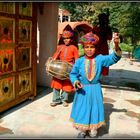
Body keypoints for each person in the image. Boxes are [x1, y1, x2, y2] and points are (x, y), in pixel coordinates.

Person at [69, 32, 121, 138]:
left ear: (95, 48)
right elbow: (73, 74)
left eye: (92, 47)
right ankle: (83, 130)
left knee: (95, 108)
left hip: (95, 89)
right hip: (82, 90)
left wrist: (116, 45)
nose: (89, 49)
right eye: (86, 47)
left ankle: (93, 129)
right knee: (82, 108)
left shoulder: (100, 59)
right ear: (83, 48)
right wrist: (75, 81)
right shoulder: (79, 61)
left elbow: (114, 58)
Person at [50, 26, 79, 107]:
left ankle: (64, 100)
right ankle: (55, 100)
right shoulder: (60, 47)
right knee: (56, 84)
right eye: (64, 38)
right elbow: (55, 56)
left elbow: (77, 60)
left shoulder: (74, 48)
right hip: (59, 69)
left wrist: (76, 69)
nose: (66, 40)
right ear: (62, 39)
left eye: (68, 38)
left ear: (71, 39)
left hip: (69, 69)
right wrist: (51, 62)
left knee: (66, 85)